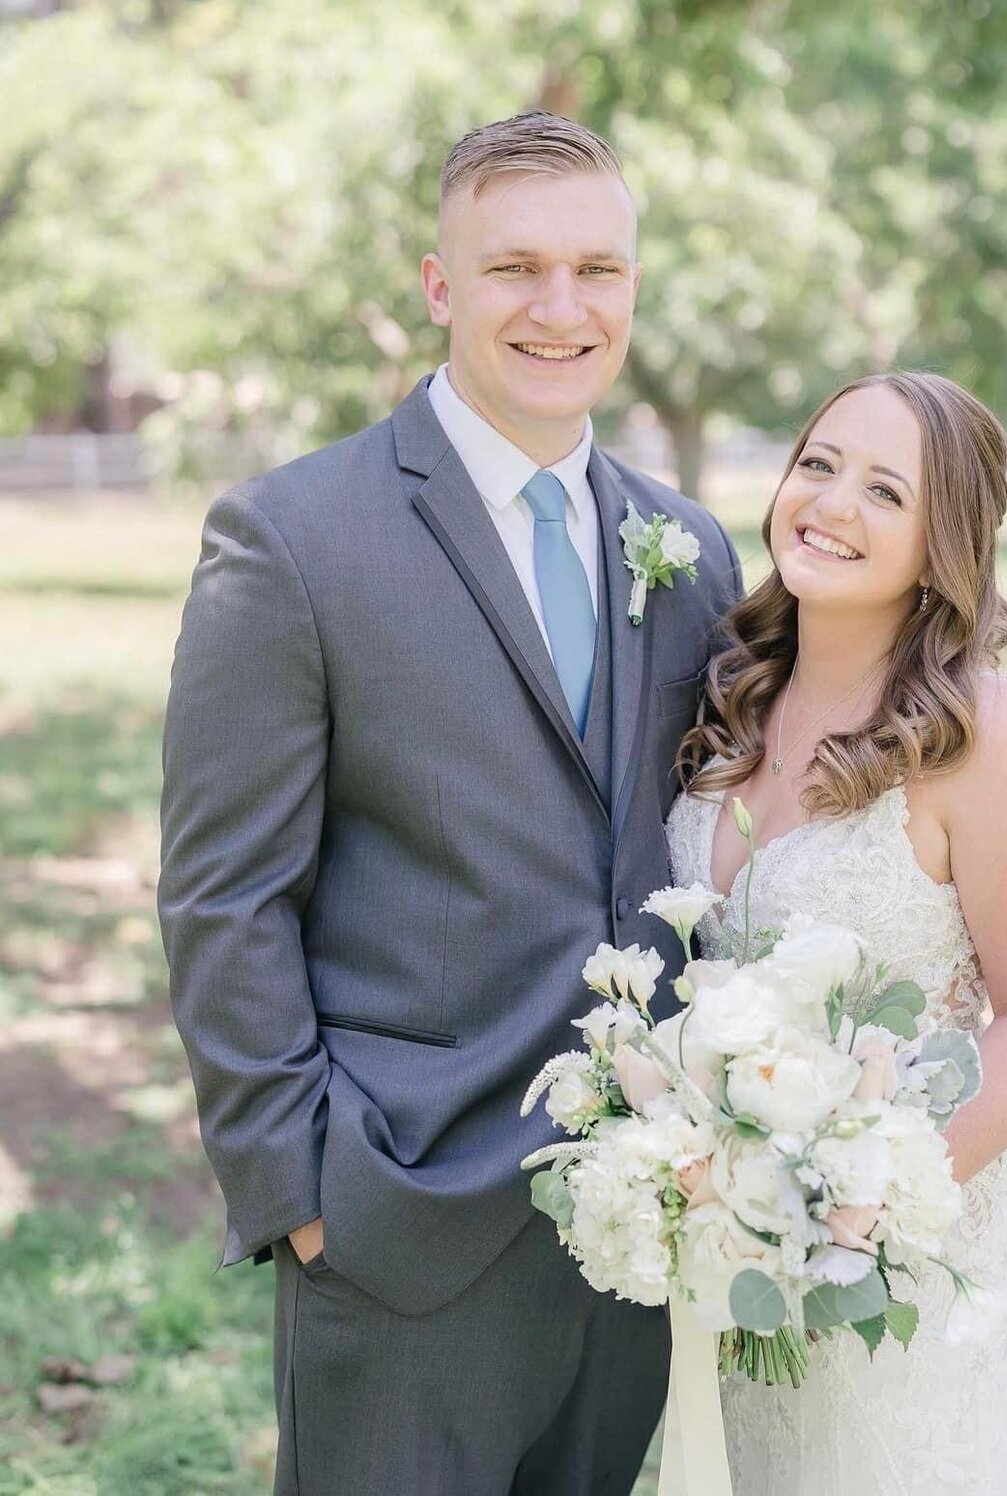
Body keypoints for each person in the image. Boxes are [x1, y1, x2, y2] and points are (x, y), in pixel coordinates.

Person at [158, 110, 740, 1495]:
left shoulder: (692, 548)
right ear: (439, 287)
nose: (561, 307)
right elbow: (223, 896)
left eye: (597, 270)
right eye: (514, 269)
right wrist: (301, 1198)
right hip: (400, 1225)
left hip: (639, 1240)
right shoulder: (292, 539)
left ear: (634, 288)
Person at [665, 371, 1007, 1493]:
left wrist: (853, 1210)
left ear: (941, 539)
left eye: (884, 489)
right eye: (818, 463)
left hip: (906, 1251)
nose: (831, 503)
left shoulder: (989, 737)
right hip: (733, 1241)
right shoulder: (729, 694)